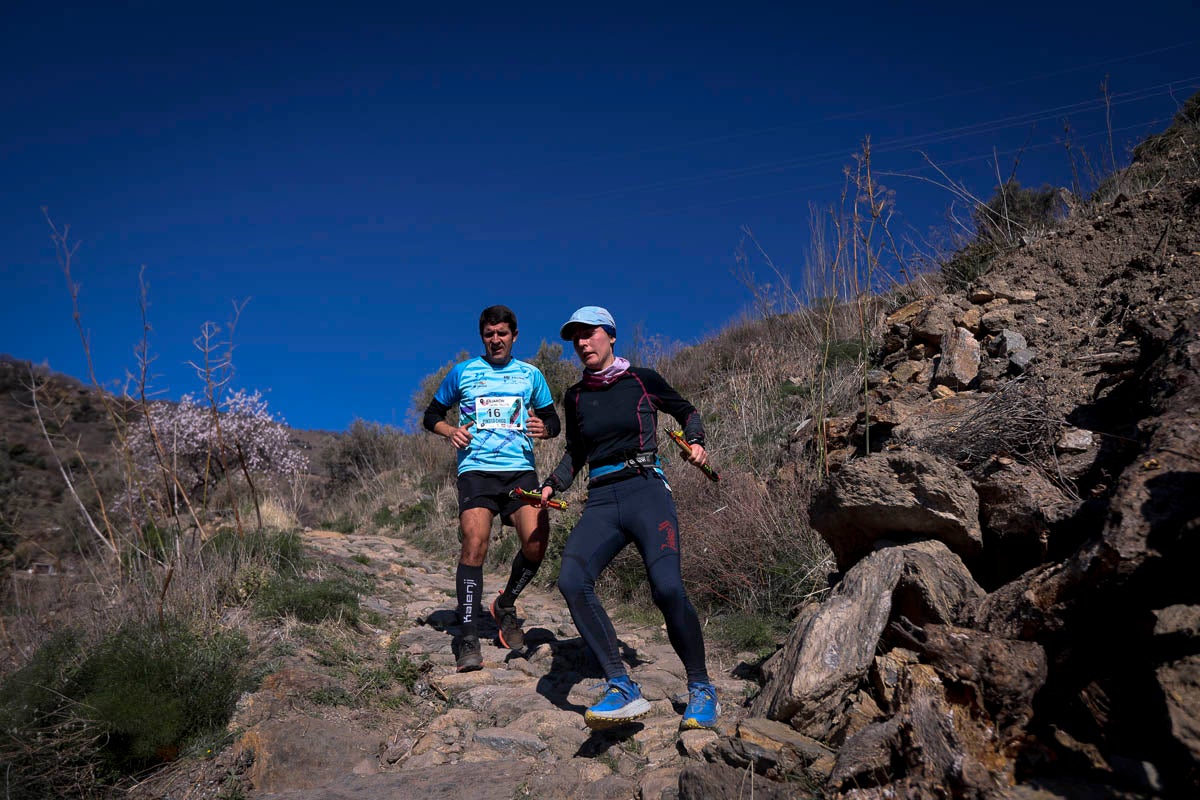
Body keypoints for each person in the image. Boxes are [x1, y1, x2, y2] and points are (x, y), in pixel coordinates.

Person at [538, 306, 720, 730]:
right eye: (575, 338)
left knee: (669, 589)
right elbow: (577, 453)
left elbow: (686, 411)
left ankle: (701, 688)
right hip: (602, 499)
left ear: (611, 336)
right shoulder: (576, 396)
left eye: (590, 334)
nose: (583, 343)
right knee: (571, 581)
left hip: (646, 490)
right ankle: (621, 686)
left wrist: (695, 441)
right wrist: (552, 483)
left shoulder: (641, 378)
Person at [423, 305, 561, 672]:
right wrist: (449, 430)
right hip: (477, 471)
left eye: (502, 333)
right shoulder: (463, 372)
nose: (495, 339)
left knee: (535, 543)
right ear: (482, 337)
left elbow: (553, 420)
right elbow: (431, 416)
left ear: (515, 336)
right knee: (475, 544)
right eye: (489, 334)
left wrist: (544, 428)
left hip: (520, 473)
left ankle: (505, 603)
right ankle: (467, 635)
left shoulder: (531, 375)